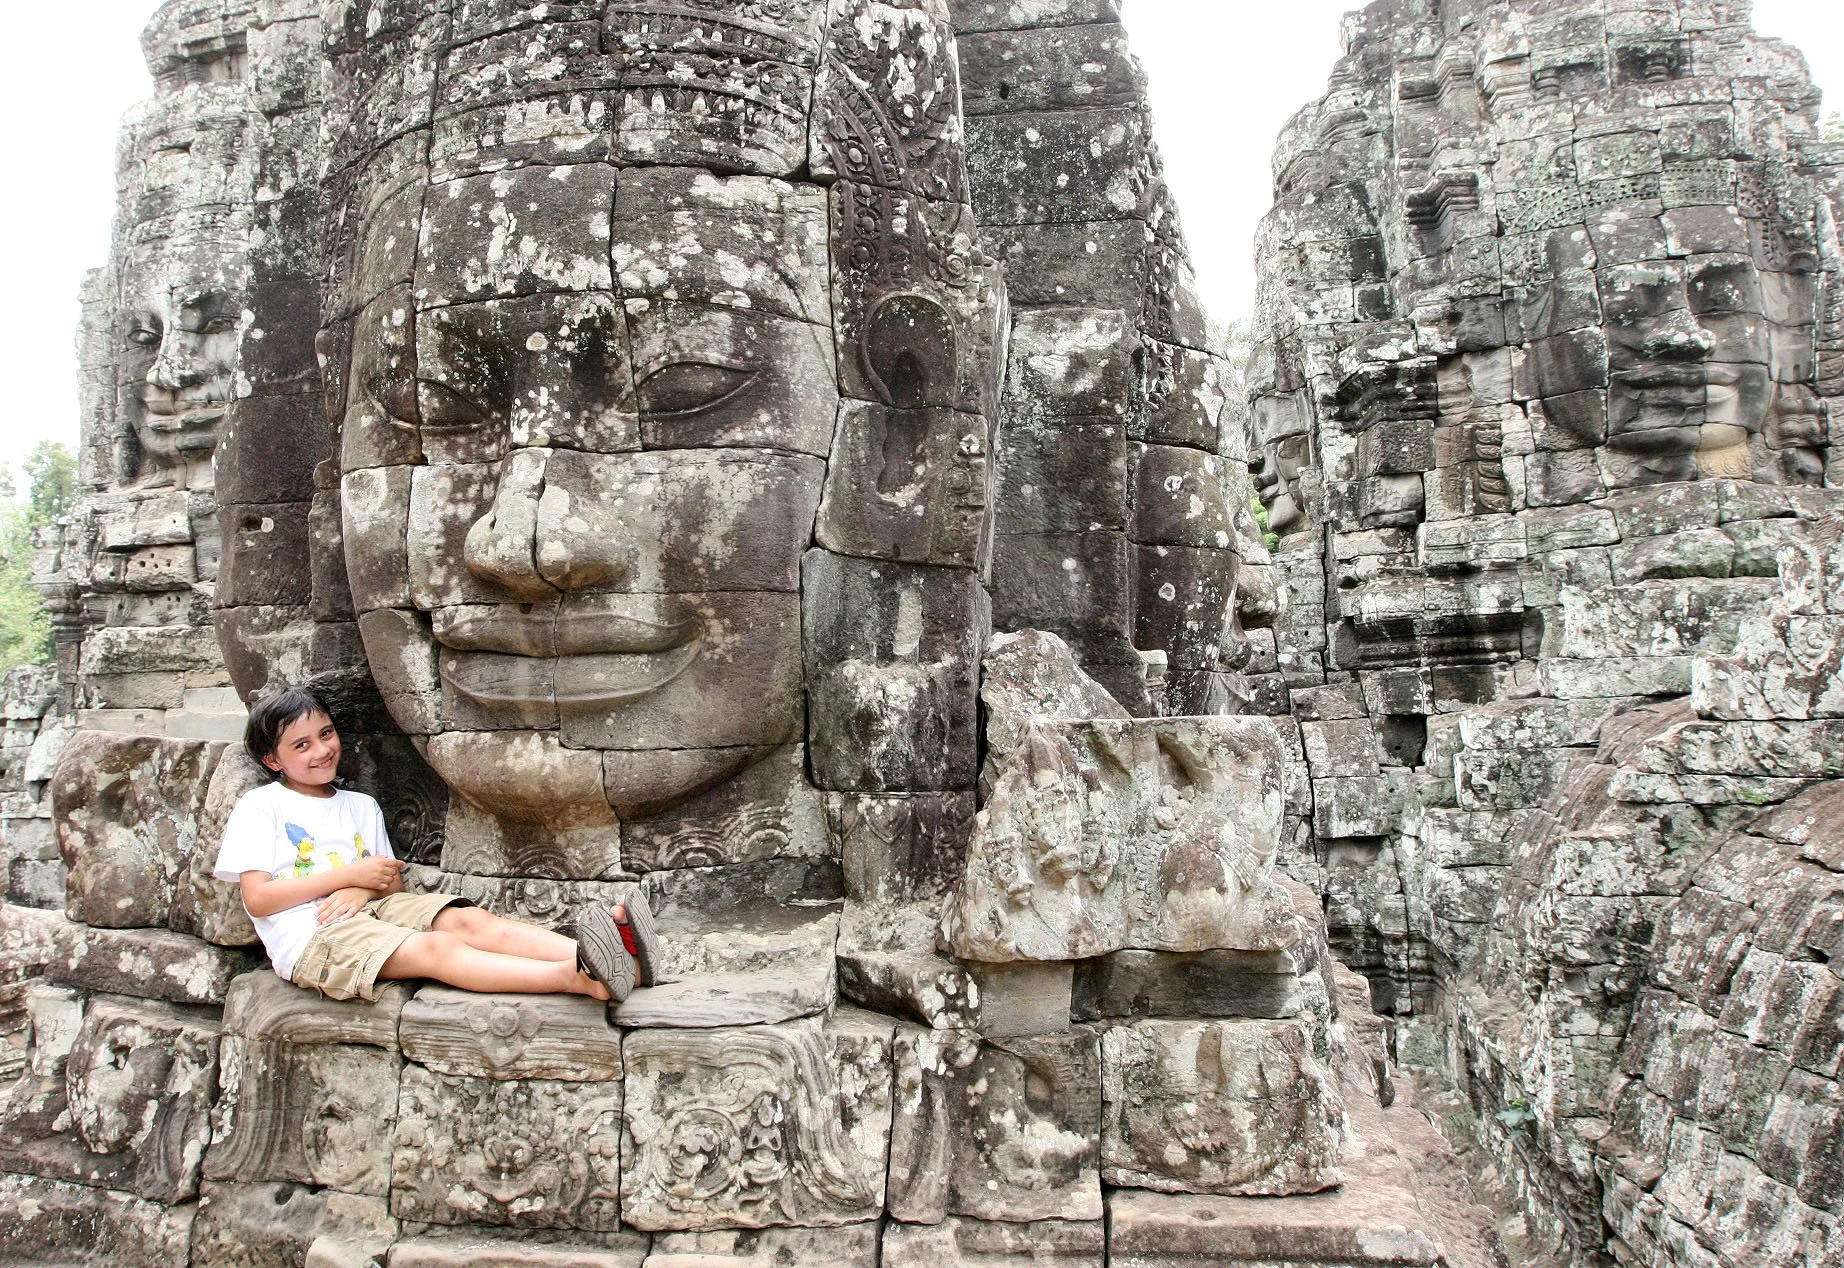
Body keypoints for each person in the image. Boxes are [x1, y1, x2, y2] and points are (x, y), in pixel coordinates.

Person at [212, 686, 661, 1003]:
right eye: (302, 745)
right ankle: (577, 978)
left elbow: (391, 888)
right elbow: (259, 899)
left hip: (374, 906)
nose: (322, 750)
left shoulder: (360, 805)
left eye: (326, 734)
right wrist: (347, 877)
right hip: (314, 936)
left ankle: (620, 958)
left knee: (469, 922)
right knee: (437, 950)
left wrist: (362, 887)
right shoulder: (262, 806)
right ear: (273, 760)